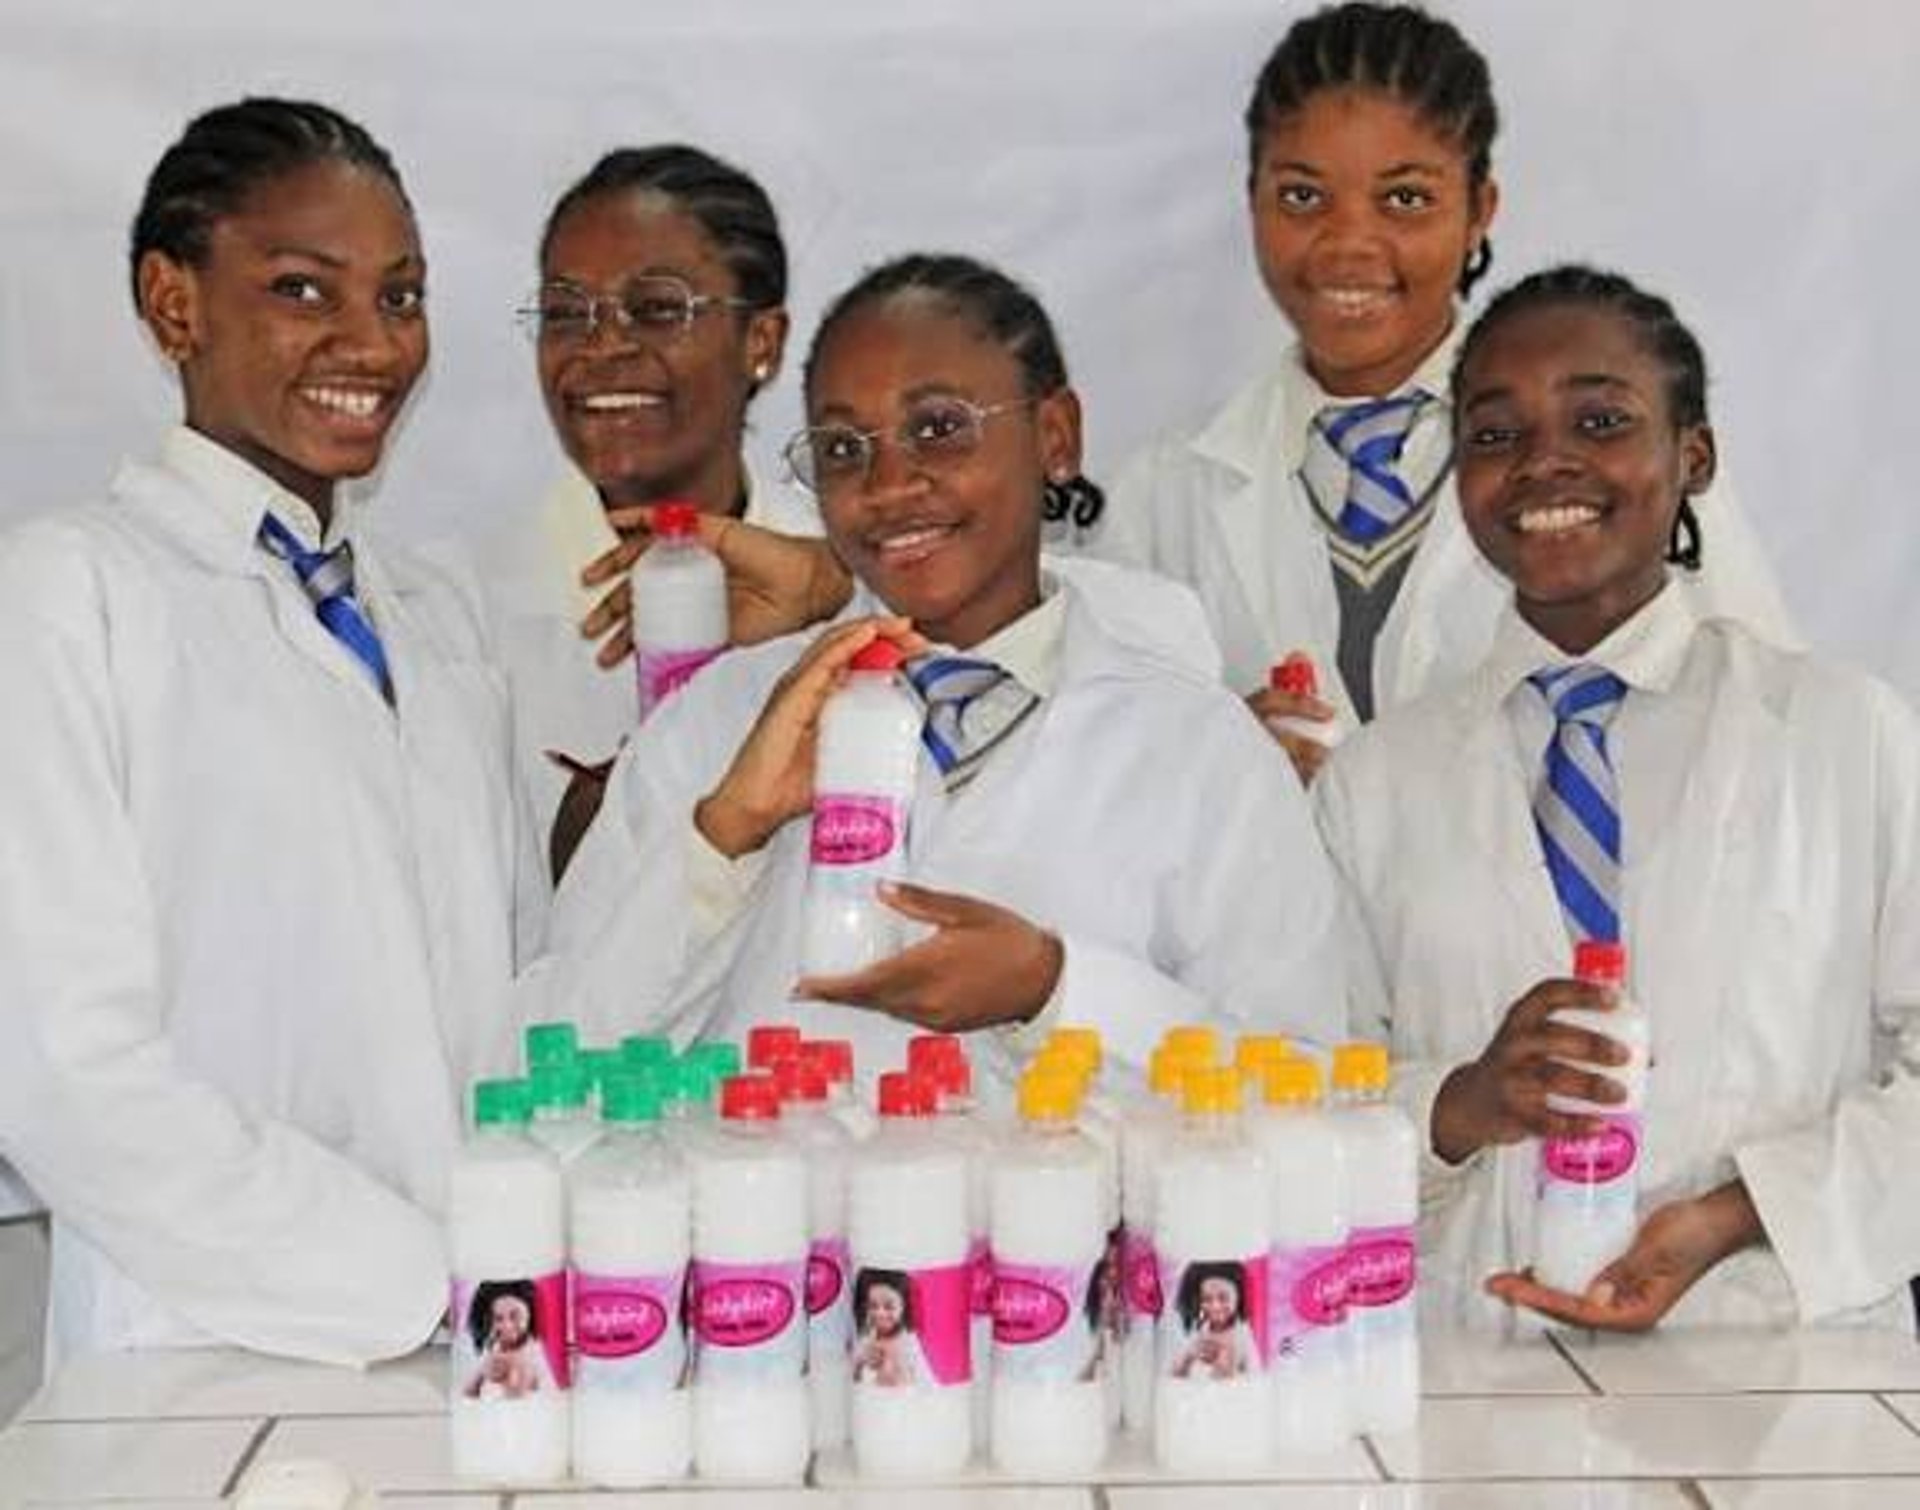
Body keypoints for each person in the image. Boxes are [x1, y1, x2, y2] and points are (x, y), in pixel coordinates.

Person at [540, 253, 1344, 1088]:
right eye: (842, 449)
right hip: (762, 1179)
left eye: (938, 429)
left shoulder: (1199, 748)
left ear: (1055, 436)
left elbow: (1305, 1091)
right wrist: (724, 839)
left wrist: (1058, 991)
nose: (888, 485)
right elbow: (556, 1058)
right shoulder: (715, 723)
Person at [0, 99, 523, 1367]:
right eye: (303, 288)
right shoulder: (67, 592)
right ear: (173, 302)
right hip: (201, 1354)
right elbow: (62, 1064)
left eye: (402, 297)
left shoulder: (432, 616)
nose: (374, 342)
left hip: (484, 1341)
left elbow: (519, 995)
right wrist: (415, 1281)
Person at [1314, 265, 1920, 1333]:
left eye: (1600, 420)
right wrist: (1458, 1106)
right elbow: (1306, 1092)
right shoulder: (1375, 781)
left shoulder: (1843, 734)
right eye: (1495, 433)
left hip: (1777, 1364)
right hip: (1472, 1362)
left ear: (1694, 455)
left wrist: (1740, 1215)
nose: (1544, 460)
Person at [1094, 2, 1794, 783]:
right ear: (1252, 197)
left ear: (1479, 210)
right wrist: (1212, 762)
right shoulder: (1162, 498)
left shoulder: (1620, 451)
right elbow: (1099, 781)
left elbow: (1769, 732)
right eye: (1301, 197)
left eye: (1404, 199)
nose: (1348, 245)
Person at [477, 146, 821, 878]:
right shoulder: (459, 614)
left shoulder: (855, 582)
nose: (602, 346)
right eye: (566, 313)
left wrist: (839, 586)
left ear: (761, 342)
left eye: (658, 309)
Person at [461, 1281, 557, 1399]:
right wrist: (482, 1371)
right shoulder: (493, 1350)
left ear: (530, 1314)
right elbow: (469, 1391)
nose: (507, 1326)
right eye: (498, 1318)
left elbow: (516, 1395)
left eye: (515, 1316)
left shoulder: (530, 1354)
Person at [1169, 1262, 1254, 1379]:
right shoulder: (1201, 1329)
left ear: (1239, 1298)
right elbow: (1176, 1373)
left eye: (1223, 1298)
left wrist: (1223, 1354)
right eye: (1207, 1299)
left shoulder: (1241, 1334)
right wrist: (1189, 1356)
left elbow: (1226, 1377)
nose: (1215, 1307)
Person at [851, 1268, 925, 1387]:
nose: (880, 1313)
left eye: (889, 1307)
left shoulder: (909, 1343)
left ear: (904, 1307)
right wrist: (860, 1362)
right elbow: (855, 1378)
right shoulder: (866, 1338)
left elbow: (916, 1381)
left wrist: (892, 1362)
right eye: (873, 1306)